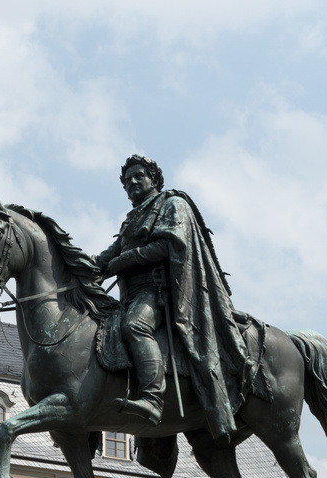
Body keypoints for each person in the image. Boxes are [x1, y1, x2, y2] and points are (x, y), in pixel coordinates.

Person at [94, 155, 250, 434]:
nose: (132, 182)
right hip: (129, 294)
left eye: (138, 175)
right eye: (127, 180)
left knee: (135, 325)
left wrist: (124, 261)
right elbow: (107, 257)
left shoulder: (172, 204)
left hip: (160, 291)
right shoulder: (132, 220)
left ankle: (153, 398)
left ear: (154, 178)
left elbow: (170, 247)